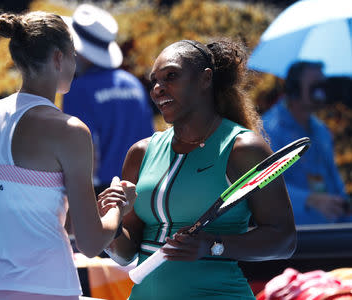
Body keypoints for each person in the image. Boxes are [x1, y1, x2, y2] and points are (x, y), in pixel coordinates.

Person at [0, 11, 136, 300]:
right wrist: (117, 209)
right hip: (50, 289)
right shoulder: (71, 131)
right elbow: (89, 242)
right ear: (59, 58)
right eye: (73, 55)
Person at [98, 39, 297, 299]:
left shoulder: (243, 148)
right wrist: (110, 223)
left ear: (205, 79)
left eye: (171, 76)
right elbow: (125, 254)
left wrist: (212, 245)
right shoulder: (140, 153)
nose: (158, 89)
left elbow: (284, 240)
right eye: (154, 81)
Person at [62, 4, 154, 194]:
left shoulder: (77, 89)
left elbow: (83, 151)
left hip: (99, 193)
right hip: (140, 189)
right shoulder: (132, 84)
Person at [262, 61, 351, 225]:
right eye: (315, 86)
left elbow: (335, 183)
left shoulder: (322, 131)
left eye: (323, 85)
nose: (321, 92)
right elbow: (264, 187)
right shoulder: (270, 130)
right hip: (293, 238)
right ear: (295, 90)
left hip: (329, 233)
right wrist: (309, 200)